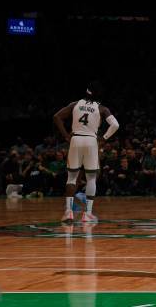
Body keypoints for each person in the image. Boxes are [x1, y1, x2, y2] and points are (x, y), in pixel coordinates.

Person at [53, 81, 119, 223]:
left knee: (71, 178)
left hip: (75, 139)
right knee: (91, 178)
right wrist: (104, 138)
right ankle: (87, 214)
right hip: (91, 141)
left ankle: (68, 212)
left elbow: (56, 117)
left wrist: (65, 135)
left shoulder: (74, 104)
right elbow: (115, 125)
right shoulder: (101, 108)